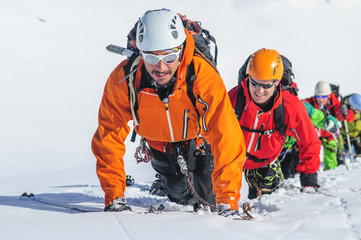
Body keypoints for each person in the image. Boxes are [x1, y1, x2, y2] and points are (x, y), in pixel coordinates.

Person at [91, 9, 246, 217]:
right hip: (160, 147)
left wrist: (228, 200)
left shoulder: (201, 75)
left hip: (199, 145)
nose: (161, 67)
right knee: (179, 195)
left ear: (181, 51)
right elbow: (109, 134)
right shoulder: (124, 79)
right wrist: (114, 196)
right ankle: (168, 183)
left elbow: (226, 134)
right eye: (152, 58)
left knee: (210, 200)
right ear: (140, 52)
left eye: (170, 57)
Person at [228, 48, 321, 199]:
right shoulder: (235, 97)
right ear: (248, 77)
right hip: (232, 161)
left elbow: (309, 140)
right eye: (254, 83)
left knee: (262, 205)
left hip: (265, 162)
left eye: (266, 86)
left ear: (277, 83)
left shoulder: (290, 106)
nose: (259, 91)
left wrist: (309, 177)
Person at [280, 101, 339, 179]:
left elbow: (316, 115)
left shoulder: (300, 106)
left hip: (290, 148)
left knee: (288, 174)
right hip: (271, 149)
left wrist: (329, 122)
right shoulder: (266, 104)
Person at [304, 81, 355, 170]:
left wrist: (345, 112)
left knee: (330, 160)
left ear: (328, 95)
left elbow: (350, 118)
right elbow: (301, 105)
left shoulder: (335, 104)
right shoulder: (311, 103)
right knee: (310, 158)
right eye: (318, 96)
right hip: (314, 136)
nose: (321, 99)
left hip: (330, 136)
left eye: (323, 96)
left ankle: (330, 175)